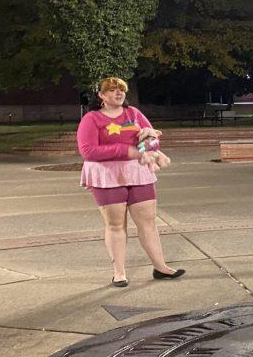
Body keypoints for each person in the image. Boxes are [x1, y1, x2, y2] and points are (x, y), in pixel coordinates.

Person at [76, 76, 183, 287]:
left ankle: (160, 266)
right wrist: (125, 150)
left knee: (148, 222)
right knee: (116, 225)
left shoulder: (133, 113)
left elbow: (153, 140)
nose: (119, 94)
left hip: (138, 172)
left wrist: (149, 141)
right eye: (113, 90)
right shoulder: (92, 119)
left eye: (121, 90)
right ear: (101, 95)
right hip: (107, 176)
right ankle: (119, 272)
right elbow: (87, 151)